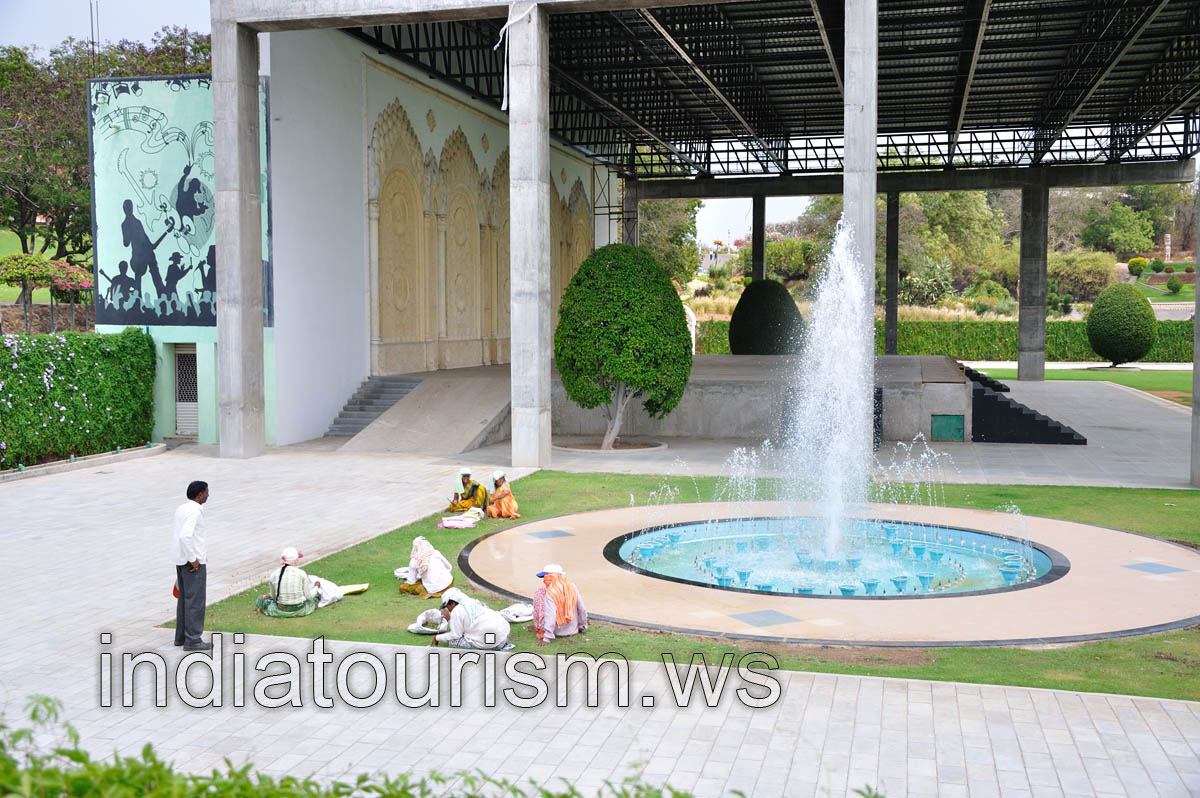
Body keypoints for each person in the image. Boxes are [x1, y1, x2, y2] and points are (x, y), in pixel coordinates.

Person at [171, 480, 210, 651]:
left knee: (185, 600)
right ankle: (193, 639)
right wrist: (193, 559)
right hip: (192, 563)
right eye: (207, 492)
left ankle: (181, 637)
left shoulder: (182, 508)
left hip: (180, 560)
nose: (209, 495)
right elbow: (185, 536)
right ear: (199, 494)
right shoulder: (195, 511)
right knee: (195, 601)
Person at [430, 588, 510, 650]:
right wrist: (449, 619)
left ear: (453, 603)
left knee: (453, 642)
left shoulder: (456, 611)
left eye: (447, 606)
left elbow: (455, 635)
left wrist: (436, 638)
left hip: (493, 644)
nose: (448, 609)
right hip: (504, 636)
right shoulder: (472, 601)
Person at [531, 564, 587, 646]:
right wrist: (583, 626)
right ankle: (539, 626)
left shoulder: (551, 592)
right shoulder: (572, 586)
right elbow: (582, 609)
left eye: (546, 577)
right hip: (573, 630)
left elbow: (550, 615)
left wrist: (547, 638)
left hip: (556, 632)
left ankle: (539, 626)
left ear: (553, 576)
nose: (544, 580)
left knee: (539, 592)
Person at [255, 547, 320, 617]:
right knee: (313, 600)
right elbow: (309, 597)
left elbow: (274, 597)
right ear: (295, 561)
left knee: (261, 599)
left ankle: (266, 609)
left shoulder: (274, 574)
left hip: (281, 609)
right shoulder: (302, 573)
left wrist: (268, 595)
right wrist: (316, 587)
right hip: (299, 609)